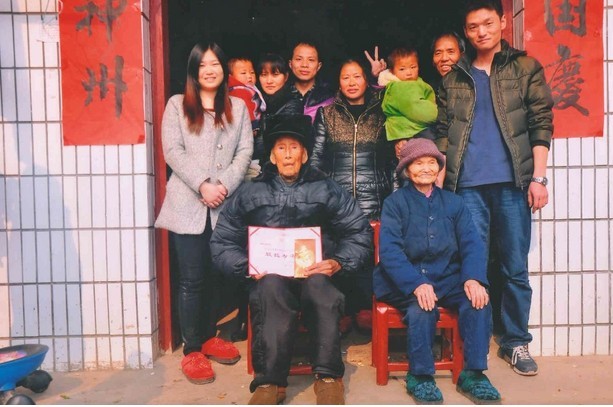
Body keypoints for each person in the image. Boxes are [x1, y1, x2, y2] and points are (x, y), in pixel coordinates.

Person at [210, 115, 372, 405]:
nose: (287, 154)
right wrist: (248, 267)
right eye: (281, 148)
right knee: (269, 288)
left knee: (322, 289)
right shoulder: (250, 192)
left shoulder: (326, 188)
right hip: (271, 278)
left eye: (294, 147)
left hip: (315, 274)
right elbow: (222, 242)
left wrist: (337, 262)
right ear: (272, 156)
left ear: (304, 154)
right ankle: (269, 382)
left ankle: (328, 377)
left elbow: (358, 232)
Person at [435, 0, 554, 376]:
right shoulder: (454, 77)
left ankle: (516, 342)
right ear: (466, 32)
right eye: (473, 27)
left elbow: (540, 123)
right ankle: (475, 342)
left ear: (502, 22)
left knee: (514, 267)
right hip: (466, 187)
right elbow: (443, 136)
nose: (481, 32)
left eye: (487, 23)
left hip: (512, 185)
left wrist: (538, 178)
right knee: (472, 267)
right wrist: (440, 188)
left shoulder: (525, 67)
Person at [154, 42, 253, 384]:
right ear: (194, 71)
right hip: (188, 204)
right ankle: (193, 349)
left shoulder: (238, 107)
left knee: (218, 275)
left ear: (224, 70)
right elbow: (172, 151)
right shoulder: (177, 105)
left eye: (215, 64)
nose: (210, 70)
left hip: (225, 205)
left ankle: (211, 336)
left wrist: (223, 184)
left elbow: (245, 151)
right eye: (202, 65)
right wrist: (202, 185)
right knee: (192, 278)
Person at [374, 138, 501, 404]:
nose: (426, 168)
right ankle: (420, 376)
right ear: (407, 169)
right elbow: (390, 252)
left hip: (445, 277)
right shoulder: (395, 203)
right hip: (404, 279)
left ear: (439, 167)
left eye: (432, 162)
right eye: (418, 163)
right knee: (422, 307)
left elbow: (472, 243)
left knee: (478, 301)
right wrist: (416, 283)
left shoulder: (454, 203)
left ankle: (474, 374)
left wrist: (473, 278)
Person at [311, 59, 395, 327]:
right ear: (338, 82)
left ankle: (366, 308)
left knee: (370, 255)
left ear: (366, 80)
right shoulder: (327, 115)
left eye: (357, 76)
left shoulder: (383, 112)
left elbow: (394, 162)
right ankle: (344, 312)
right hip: (338, 202)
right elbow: (315, 161)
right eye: (345, 77)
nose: (351, 82)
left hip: (376, 198)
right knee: (338, 252)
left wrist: (393, 199)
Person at [378, 48, 438, 156]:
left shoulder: (412, 82)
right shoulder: (401, 87)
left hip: (413, 130)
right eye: (402, 69)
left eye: (413, 67)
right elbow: (418, 110)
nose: (409, 73)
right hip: (412, 132)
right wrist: (441, 114)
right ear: (392, 71)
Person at [228, 57, 267, 181]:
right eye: (243, 73)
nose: (249, 76)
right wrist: (253, 126)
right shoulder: (240, 91)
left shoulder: (246, 88)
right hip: (247, 128)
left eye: (252, 72)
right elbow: (247, 110)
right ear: (231, 77)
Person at [288, 41, 335, 120]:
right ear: (290, 64)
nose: (304, 65)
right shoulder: (278, 95)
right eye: (299, 59)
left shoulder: (330, 97)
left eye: (311, 60)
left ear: (319, 66)